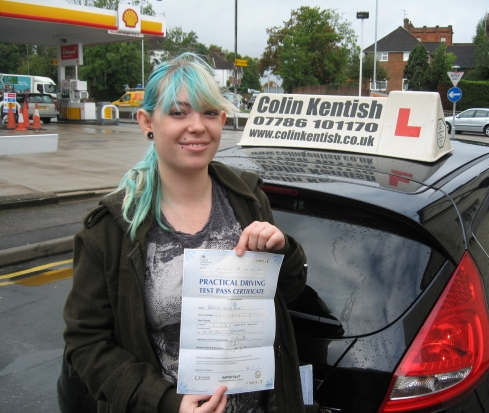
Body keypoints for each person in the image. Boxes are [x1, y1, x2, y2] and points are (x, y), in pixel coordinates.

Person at [60, 52, 308, 413]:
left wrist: (283, 250)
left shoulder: (248, 199)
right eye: (178, 113)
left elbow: (287, 293)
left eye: (209, 112)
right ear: (147, 121)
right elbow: (86, 344)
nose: (197, 126)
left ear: (222, 120)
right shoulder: (111, 228)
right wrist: (164, 403)